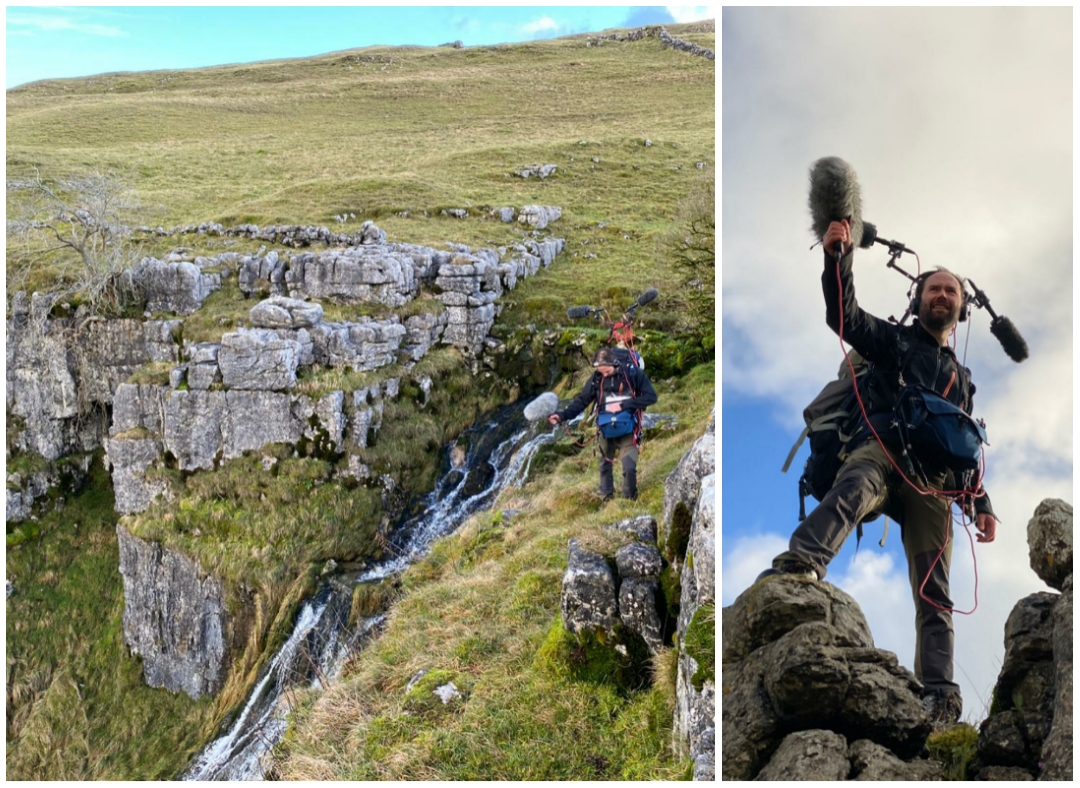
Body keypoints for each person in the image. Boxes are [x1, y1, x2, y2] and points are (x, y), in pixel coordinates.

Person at [760, 218, 998, 728]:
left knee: (935, 590)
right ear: (918, 300)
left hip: (933, 485)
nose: (941, 294)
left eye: (950, 290)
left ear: (959, 308)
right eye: (933, 287)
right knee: (853, 489)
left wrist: (981, 504)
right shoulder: (893, 342)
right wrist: (838, 258)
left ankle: (937, 691)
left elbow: (962, 448)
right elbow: (843, 317)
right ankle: (800, 566)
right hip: (882, 450)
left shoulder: (964, 379)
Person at [548, 346, 657, 501]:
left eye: (607, 371)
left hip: (629, 429)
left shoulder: (633, 374)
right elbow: (581, 401)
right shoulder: (596, 378)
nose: (604, 375)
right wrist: (562, 415)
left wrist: (626, 405)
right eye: (601, 372)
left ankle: (629, 500)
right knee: (605, 465)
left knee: (629, 468)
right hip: (605, 430)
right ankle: (606, 497)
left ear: (615, 364)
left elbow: (651, 397)